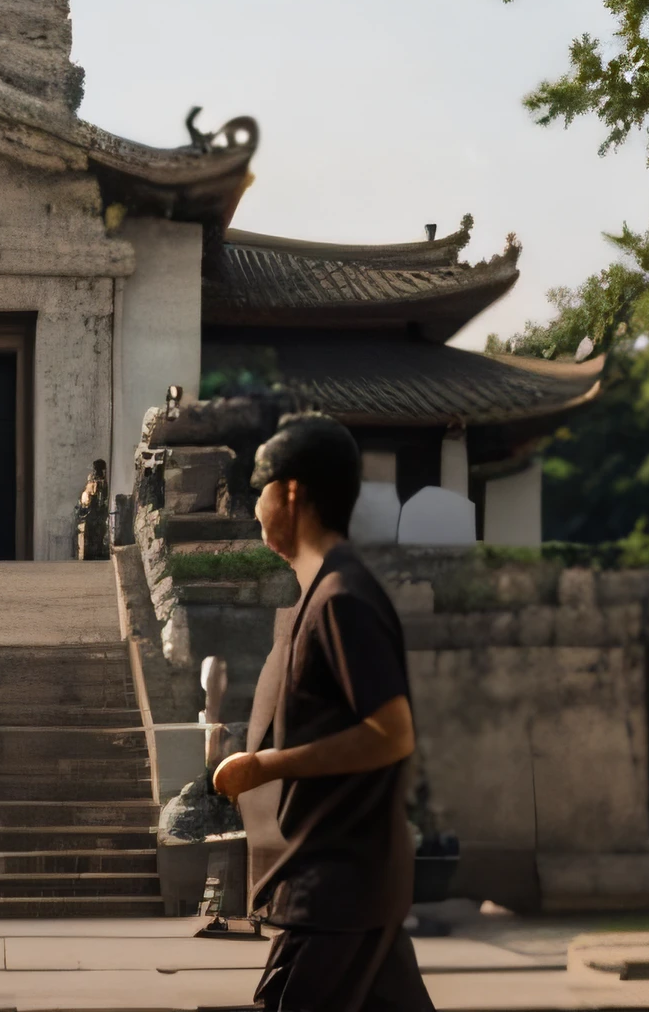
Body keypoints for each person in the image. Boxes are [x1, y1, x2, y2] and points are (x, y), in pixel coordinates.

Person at [212, 416, 430, 1012]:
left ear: (288, 492)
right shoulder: (325, 591)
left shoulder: (343, 598)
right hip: (348, 888)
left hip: (337, 890)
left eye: (257, 490)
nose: (253, 507)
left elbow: (391, 733)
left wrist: (266, 765)